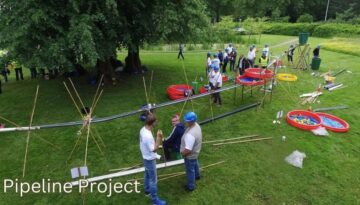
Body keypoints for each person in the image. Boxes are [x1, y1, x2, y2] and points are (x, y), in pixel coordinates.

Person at [139, 114, 167, 205]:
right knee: (153, 180)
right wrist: (159, 137)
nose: (156, 123)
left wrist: (158, 156)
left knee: (147, 174)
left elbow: (150, 148)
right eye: (156, 121)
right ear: (152, 123)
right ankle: (155, 200)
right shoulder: (147, 136)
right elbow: (154, 149)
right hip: (149, 160)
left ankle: (147, 191)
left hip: (145, 157)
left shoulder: (143, 129)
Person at [180, 111, 202, 192]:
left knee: (190, 170)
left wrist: (182, 154)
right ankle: (197, 175)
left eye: (187, 121)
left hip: (190, 155)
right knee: (195, 163)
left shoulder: (190, 135)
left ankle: (191, 186)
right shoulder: (197, 126)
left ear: (191, 121)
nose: (185, 122)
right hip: (196, 152)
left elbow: (188, 150)